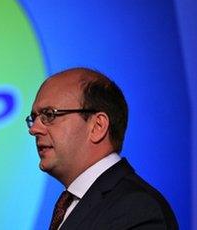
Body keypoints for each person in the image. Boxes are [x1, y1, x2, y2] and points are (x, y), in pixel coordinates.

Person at [26, 67, 177, 229]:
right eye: (34, 118)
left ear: (97, 126)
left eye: (49, 115)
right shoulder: (72, 203)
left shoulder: (137, 208)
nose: (34, 129)